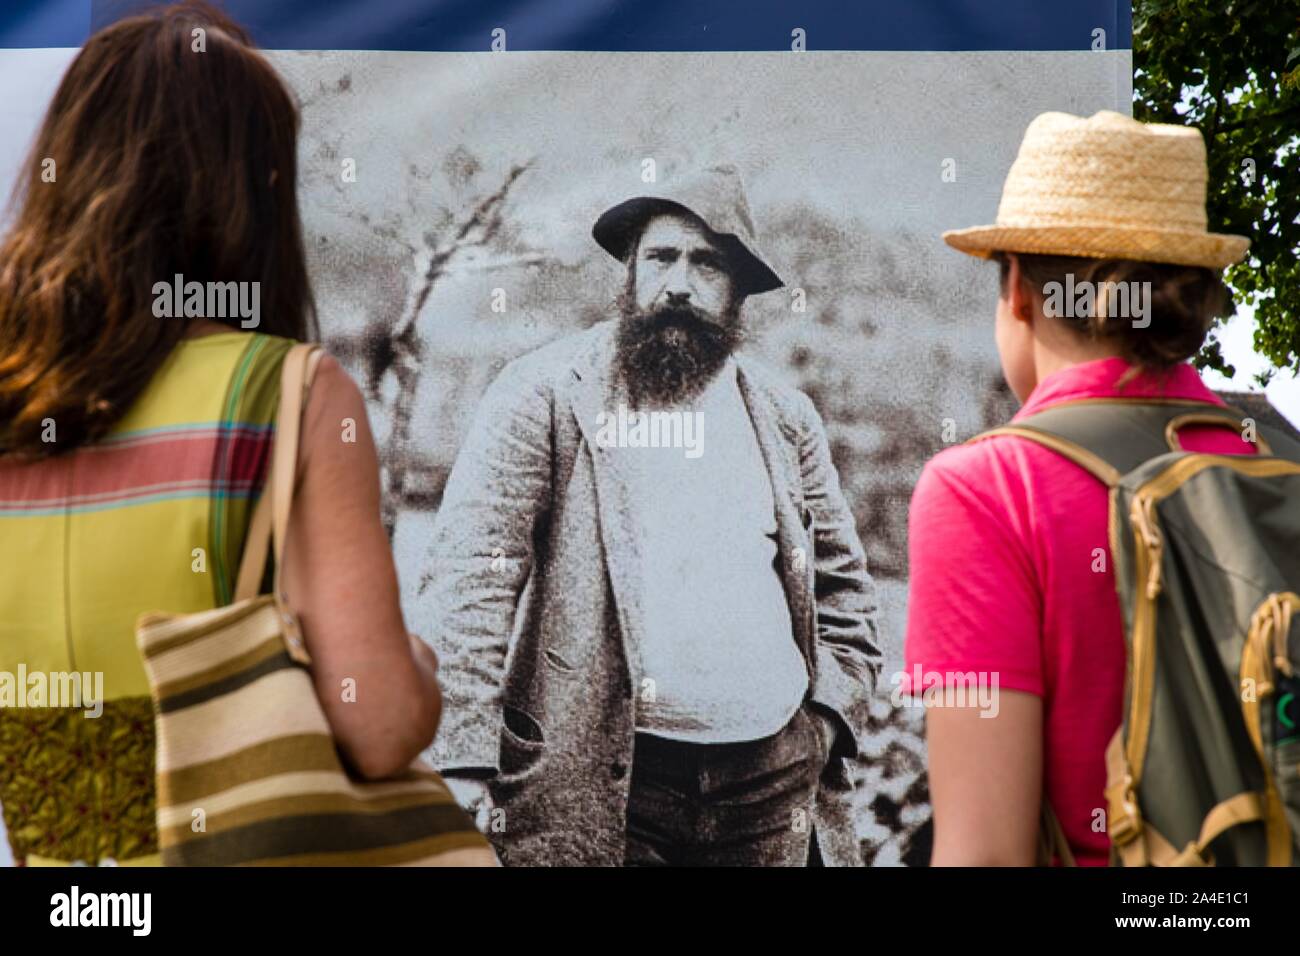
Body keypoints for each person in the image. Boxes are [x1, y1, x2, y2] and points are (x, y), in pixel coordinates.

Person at [0, 2, 439, 866]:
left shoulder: (15, 392)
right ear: (254, 188)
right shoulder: (290, 393)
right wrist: (416, 672)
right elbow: (378, 728)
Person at [422, 164, 881, 866]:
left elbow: (843, 590)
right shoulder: (542, 396)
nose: (679, 285)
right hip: (608, 782)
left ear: (738, 290)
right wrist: (463, 757)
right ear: (631, 274)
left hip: (771, 785)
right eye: (661, 258)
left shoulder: (785, 420)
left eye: (707, 264)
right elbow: (472, 579)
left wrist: (823, 724)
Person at [906, 110, 1257, 865]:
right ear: (1194, 305)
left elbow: (984, 856)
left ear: (1019, 293)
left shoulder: (985, 490)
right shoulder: (1282, 459)